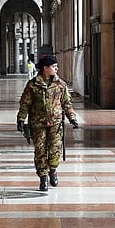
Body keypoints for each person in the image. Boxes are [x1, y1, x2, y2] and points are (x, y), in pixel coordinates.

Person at [16, 54, 79, 191]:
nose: (56, 69)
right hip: (37, 124)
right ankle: (43, 177)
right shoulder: (33, 85)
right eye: (54, 66)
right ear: (45, 68)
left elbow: (67, 103)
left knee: (55, 149)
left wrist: (72, 118)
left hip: (55, 123)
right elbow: (25, 104)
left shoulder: (60, 84)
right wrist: (21, 119)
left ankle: (53, 170)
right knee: (40, 150)